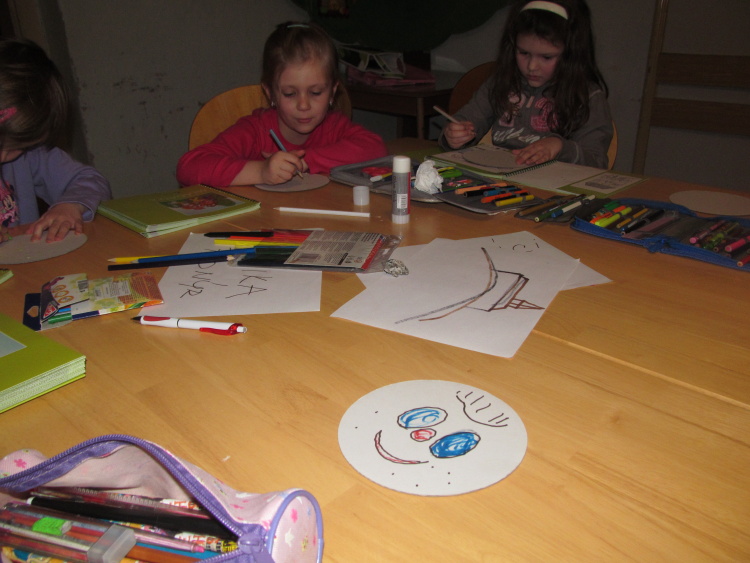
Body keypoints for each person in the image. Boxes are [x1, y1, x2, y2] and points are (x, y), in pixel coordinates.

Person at [176, 21, 388, 187]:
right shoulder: (256, 131)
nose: (303, 105)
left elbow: (376, 148)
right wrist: (261, 171)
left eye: (316, 92)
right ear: (271, 93)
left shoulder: (334, 126)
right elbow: (189, 167)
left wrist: (305, 161)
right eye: (289, 93)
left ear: (333, 92)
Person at [441, 0, 613, 169]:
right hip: (503, 178)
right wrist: (453, 135)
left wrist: (560, 147)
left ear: (571, 54)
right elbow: (466, 121)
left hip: (555, 183)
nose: (532, 66)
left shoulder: (588, 96)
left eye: (546, 57)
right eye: (523, 53)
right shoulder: (501, 82)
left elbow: (596, 162)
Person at [0, 38, 111, 243]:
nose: (2, 156)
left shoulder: (30, 153)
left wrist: (70, 206)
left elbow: (90, 179)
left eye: (16, 148)